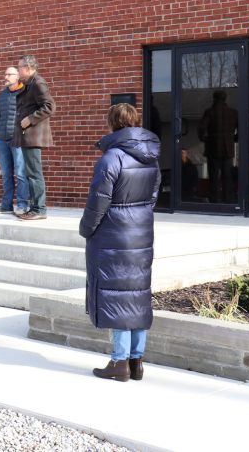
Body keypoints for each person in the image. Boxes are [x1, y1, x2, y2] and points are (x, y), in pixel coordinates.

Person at [79, 103, 160, 382]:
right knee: (136, 295)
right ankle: (137, 361)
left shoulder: (111, 157)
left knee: (117, 295)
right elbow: (152, 196)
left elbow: (98, 201)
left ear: (112, 123)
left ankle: (119, 362)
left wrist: (86, 229)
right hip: (141, 232)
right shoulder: (150, 156)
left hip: (113, 234)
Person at [14, 55, 55, 220]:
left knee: (34, 173)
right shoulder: (28, 84)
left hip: (33, 136)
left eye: (20, 68)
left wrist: (29, 119)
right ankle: (34, 208)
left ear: (29, 68)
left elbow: (50, 106)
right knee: (31, 173)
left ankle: (39, 209)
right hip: (27, 136)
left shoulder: (38, 83)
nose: (18, 71)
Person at [0, 66, 29, 215]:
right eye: (5, 74)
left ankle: (22, 204)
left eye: (9, 74)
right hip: (2, 140)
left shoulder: (25, 94)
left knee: (20, 173)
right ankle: (6, 206)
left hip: (18, 139)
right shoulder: (1, 95)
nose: (5, 77)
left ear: (17, 76)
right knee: (6, 174)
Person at [199, 90, 238, 204]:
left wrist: (204, 139)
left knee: (214, 178)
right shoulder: (233, 112)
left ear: (214, 98)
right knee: (227, 177)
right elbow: (241, 128)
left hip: (213, 148)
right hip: (227, 148)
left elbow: (201, 128)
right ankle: (228, 200)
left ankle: (214, 201)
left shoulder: (210, 112)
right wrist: (234, 138)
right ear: (225, 99)